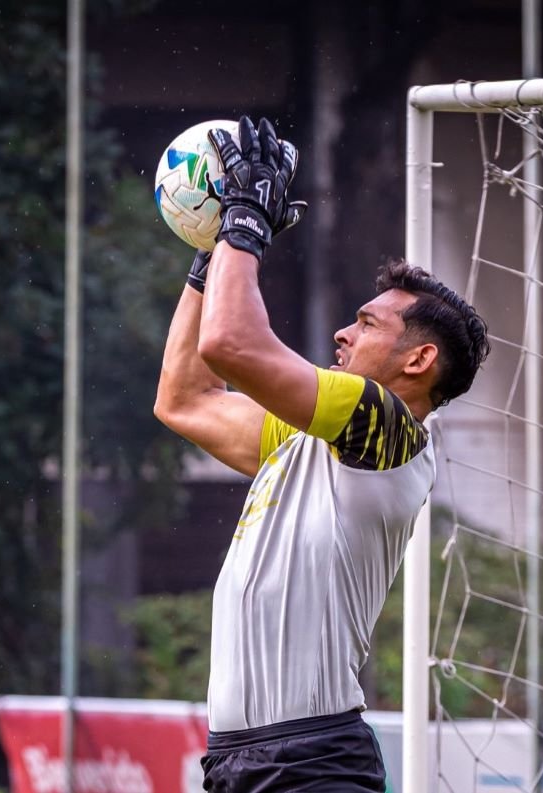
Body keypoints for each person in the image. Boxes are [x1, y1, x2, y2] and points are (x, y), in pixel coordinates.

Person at [153, 116, 490, 792]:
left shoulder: (388, 428)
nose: (343, 331)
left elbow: (232, 347)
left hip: (310, 763)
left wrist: (244, 223)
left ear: (420, 359)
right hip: (239, 759)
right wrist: (212, 251)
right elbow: (185, 399)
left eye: (367, 323)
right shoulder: (310, 438)